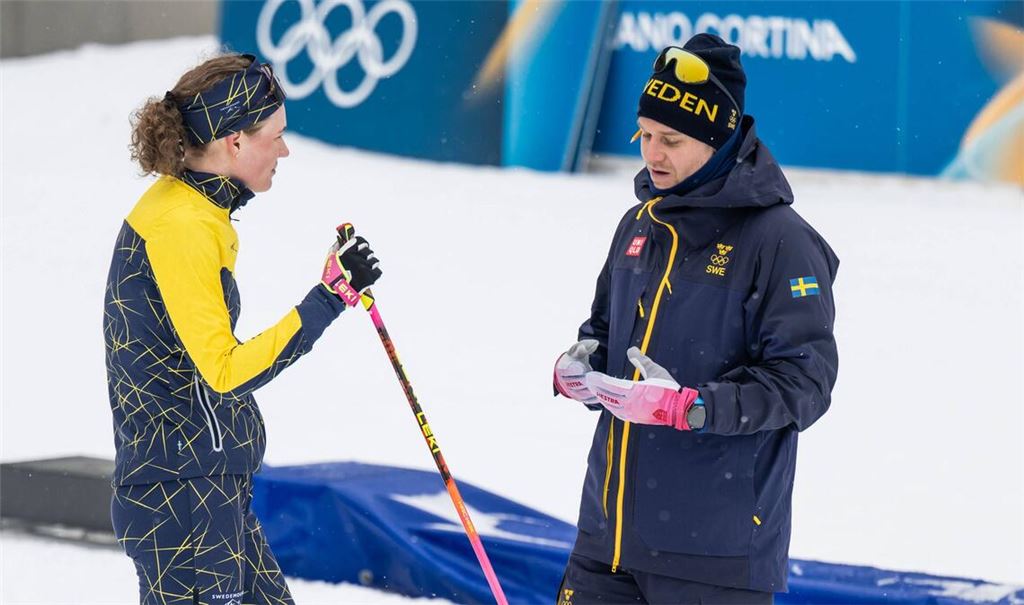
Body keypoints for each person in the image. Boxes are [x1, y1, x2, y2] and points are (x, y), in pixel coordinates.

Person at [553, 34, 839, 604]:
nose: (651, 154)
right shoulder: (639, 224)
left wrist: (692, 408)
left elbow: (805, 383)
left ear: (721, 138)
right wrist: (578, 368)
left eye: (672, 140)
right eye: (645, 135)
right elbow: (605, 333)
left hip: (714, 558)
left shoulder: (781, 242)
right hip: (606, 540)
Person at [104, 53, 381, 605]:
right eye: (275, 135)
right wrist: (327, 300)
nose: (284, 149)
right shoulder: (180, 225)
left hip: (206, 489)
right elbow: (225, 372)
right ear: (234, 142)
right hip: (182, 501)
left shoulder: (195, 210)